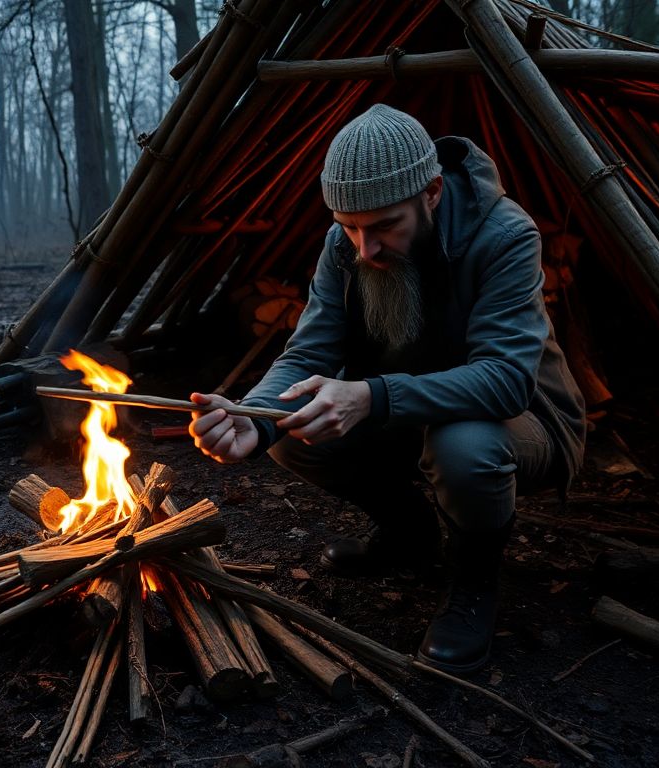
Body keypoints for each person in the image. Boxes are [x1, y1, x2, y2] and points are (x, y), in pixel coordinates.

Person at [188, 104, 586, 674]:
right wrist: (256, 417)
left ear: (431, 192)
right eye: (348, 227)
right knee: (291, 426)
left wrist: (371, 396)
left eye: (382, 227)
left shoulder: (505, 235)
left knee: (462, 445)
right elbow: (307, 353)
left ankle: (473, 580)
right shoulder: (345, 243)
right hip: (404, 414)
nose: (364, 250)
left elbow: (506, 380)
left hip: (520, 421)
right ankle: (411, 532)